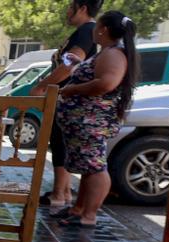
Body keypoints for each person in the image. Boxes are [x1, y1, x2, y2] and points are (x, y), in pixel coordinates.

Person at [53, 11, 137, 227]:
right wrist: (80, 64)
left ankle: (88, 216)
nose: (93, 30)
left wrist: (71, 90)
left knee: (95, 167)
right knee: (88, 168)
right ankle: (78, 209)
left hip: (92, 122)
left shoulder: (114, 54)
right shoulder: (108, 52)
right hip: (83, 123)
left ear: (104, 29)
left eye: (96, 26)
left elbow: (106, 83)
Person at [33, 0, 102, 208]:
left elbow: (69, 64)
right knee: (58, 141)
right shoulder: (83, 31)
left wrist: (42, 86)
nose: (67, 12)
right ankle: (63, 192)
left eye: (70, 7)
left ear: (83, 8)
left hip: (68, 97)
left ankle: (60, 194)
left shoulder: (86, 31)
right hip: (65, 96)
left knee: (60, 142)